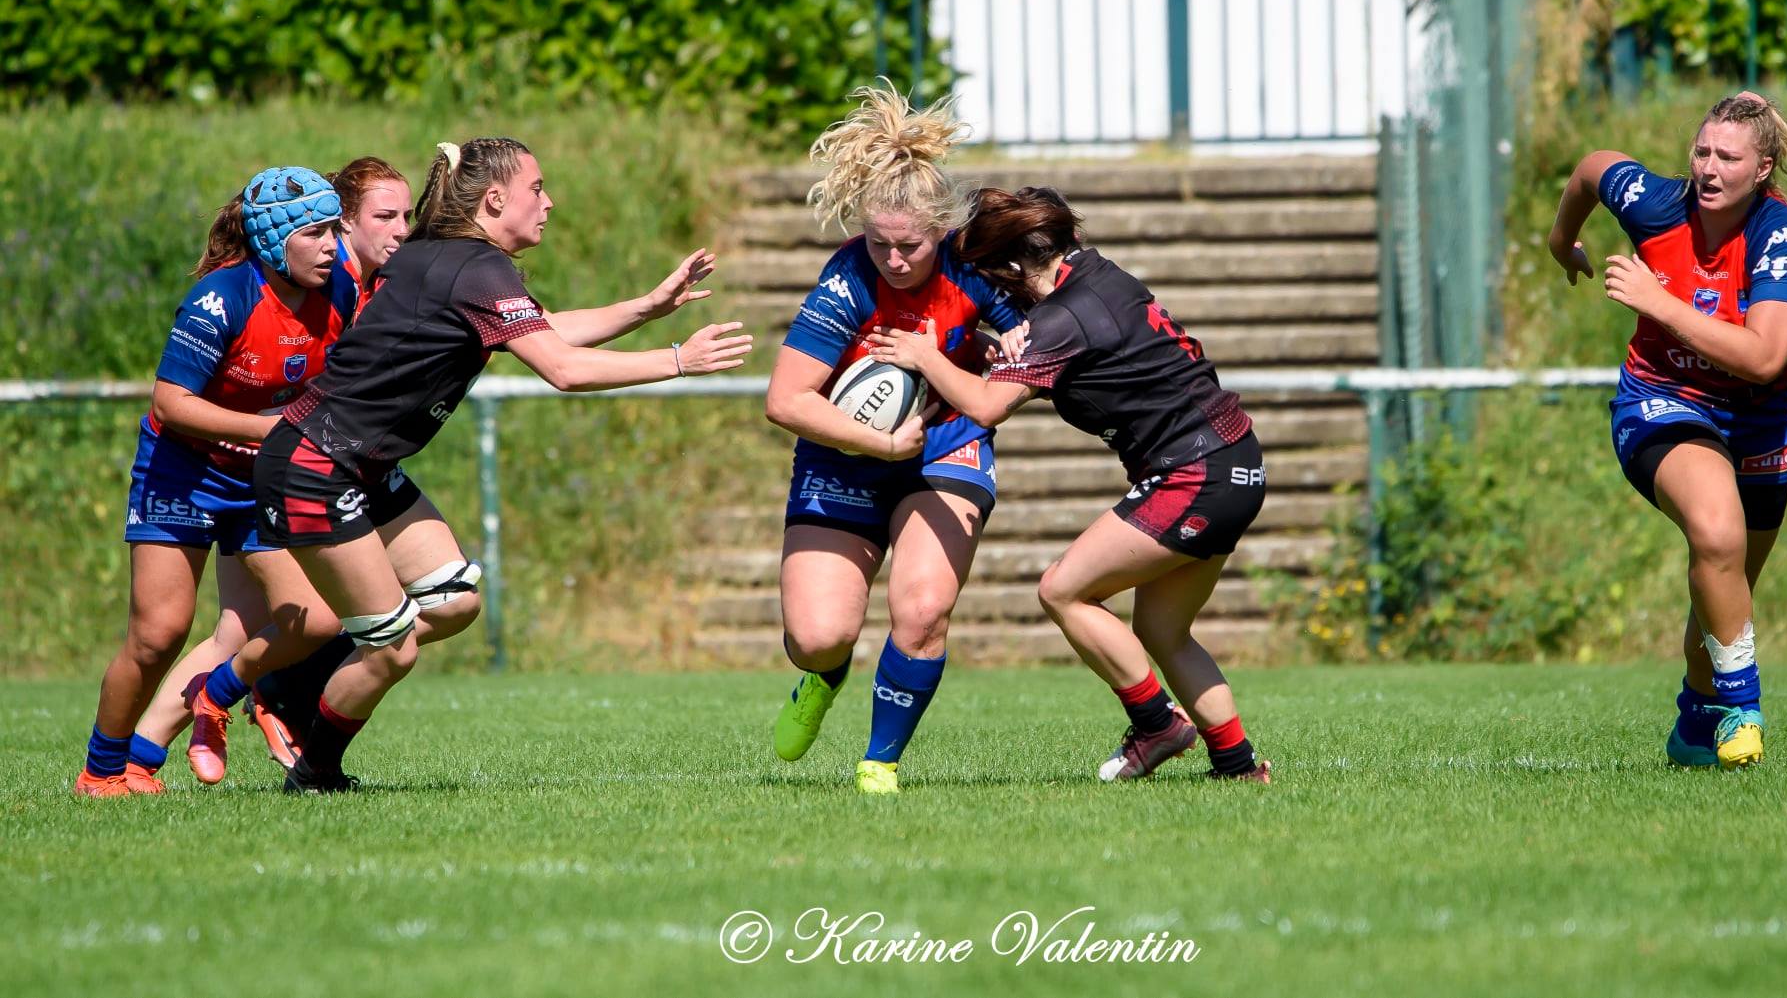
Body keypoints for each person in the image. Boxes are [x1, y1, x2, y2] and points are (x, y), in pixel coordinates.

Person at [251, 137, 749, 792]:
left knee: (453, 600)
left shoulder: (449, 256)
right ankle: (312, 769)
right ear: (494, 198)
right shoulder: (475, 267)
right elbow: (562, 368)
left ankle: (313, 671)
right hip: (318, 465)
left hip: (357, 465)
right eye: (536, 189)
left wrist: (646, 310)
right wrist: (677, 360)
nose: (548, 201)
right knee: (393, 646)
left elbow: (539, 329)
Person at [868, 186, 1271, 784]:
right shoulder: (1095, 276)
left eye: (991, 274)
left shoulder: (1061, 317)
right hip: (1236, 462)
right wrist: (990, 346)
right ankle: (1238, 769)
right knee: (1162, 630)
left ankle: (1158, 723)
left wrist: (925, 357)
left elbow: (985, 406)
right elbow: (1084, 354)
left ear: (1010, 267)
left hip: (1193, 473)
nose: (991, 289)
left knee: (1062, 589)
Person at [157, 157, 495, 782]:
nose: (401, 232)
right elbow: (187, 397)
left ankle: (213, 718)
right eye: (383, 218)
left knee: (445, 603)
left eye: (407, 218)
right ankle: (133, 759)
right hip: (274, 468)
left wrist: (445, 194)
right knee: (219, 630)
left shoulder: (370, 282)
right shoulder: (321, 277)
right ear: (340, 225)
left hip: (324, 465)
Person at [1546, 91, 1787, 770]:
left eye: (1727, 157)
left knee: (1723, 587)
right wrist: (1561, 241)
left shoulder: (1777, 235)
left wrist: (1658, 302)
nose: (1708, 167)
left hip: (1760, 420)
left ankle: (1694, 716)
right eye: (1701, 151)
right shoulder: (1655, 204)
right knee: (1715, 533)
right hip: (1661, 401)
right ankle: (1744, 708)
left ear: (1763, 168)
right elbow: (1593, 167)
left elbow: (1764, 356)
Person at [762, 84, 1024, 795]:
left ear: (939, 230)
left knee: (922, 609)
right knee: (817, 635)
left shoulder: (971, 272)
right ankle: (825, 674)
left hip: (946, 446)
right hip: (847, 451)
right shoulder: (848, 279)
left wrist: (1013, 357)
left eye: (908, 245)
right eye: (878, 242)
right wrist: (877, 445)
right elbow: (784, 400)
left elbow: (1041, 334)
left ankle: (880, 760)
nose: (893, 258)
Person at [75, 167, 359, 796]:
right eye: (315, 233)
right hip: (183, 470)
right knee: (158, 635)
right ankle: (102, 772)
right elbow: (172, 402)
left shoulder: (340, 292)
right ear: (272, 241)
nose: (332, 246)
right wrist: (274, 431)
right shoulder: (222, 298)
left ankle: (216, 698)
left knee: (317, 618)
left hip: (259, 477)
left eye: (335, 230)